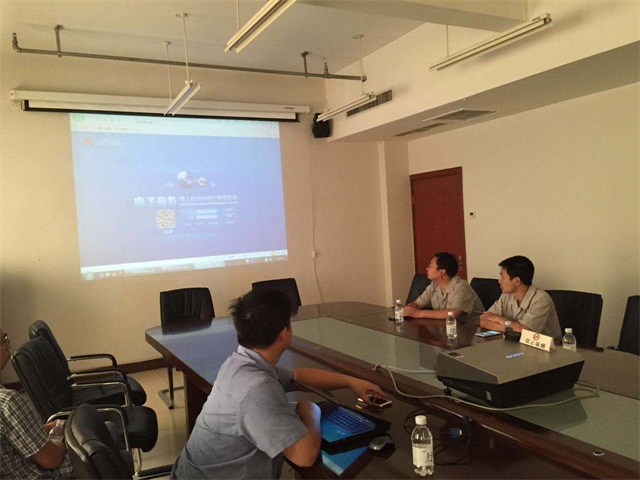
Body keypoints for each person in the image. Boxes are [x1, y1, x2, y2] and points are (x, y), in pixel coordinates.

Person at [172, 289, 385, 479]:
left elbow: (297, 375)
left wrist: (351, 382)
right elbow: (304, 455)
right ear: (284, 334)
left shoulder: (240, 363)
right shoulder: (257, 388)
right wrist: (310, 410)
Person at [0, 329, 73, 479]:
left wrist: (47, 428)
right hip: (46, 475)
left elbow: (9, 440)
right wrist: (61, 441)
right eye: (4, 340)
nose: (7, 345)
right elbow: (51, 460)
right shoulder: (8, 401)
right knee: (103, 440)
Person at [480, 256, 562, 341]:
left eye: (503, 277)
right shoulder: (506, 296)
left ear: (517, 281)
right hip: (514, 344)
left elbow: (527, 333)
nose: (499, 281)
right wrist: (511, 328)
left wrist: (499, 319)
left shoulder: (541, 299)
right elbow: (483, 321)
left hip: (545, 347)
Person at [403, 252, 484, 325]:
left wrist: (419, 313)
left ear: (442, 272)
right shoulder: (433, 285)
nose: (427, 268)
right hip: (446, 328)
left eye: (431, 266)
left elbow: (454, 313)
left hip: (472, 330)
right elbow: (418, 304)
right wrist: (408, 309)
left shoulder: (461, 286)